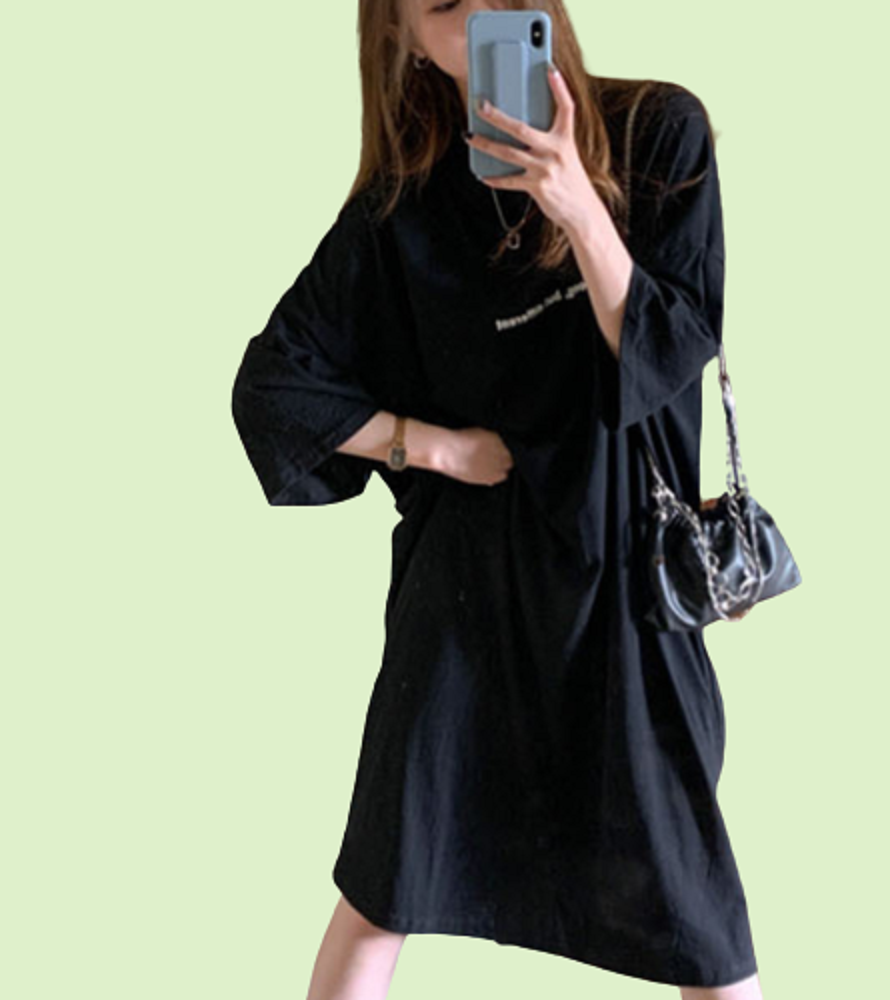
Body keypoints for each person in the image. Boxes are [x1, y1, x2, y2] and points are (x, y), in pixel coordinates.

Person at [230, 2, 764, 998]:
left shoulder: (658, 134)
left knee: (698, 921)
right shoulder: (401, 208)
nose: (482, 8)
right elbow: (274, 387)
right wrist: (429, 446)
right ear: (406, 40)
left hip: (623, 591)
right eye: (443, 4)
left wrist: (578, 207)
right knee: (386, 884)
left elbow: (669, 354)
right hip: (465, 594)